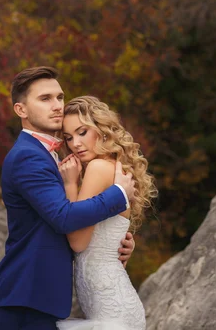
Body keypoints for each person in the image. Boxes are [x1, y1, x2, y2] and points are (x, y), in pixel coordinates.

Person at [0, 67, 136, 330]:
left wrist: (115, 239)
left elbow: (77, 215)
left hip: (40, 298)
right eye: (45, 99)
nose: (57, 105)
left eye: (59, 97)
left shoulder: (58, 155)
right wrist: (119, 195)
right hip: (26, 297)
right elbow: (64, 217)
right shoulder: (27, 156)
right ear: (21, 110)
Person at [56, 95, 157, 330]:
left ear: (102, 130)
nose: (75, 144)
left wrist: (69, 184)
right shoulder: (112, 168)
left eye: (82, 132)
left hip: (113, 314)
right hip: (116, 305)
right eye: (69, 137)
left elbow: (78, 242)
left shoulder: (99, 168)